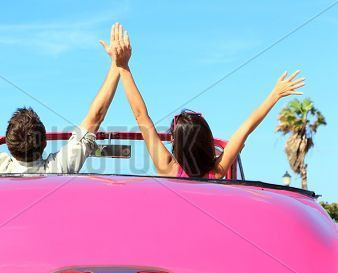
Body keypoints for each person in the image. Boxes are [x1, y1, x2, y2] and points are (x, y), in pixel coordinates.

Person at [111, 23, 305, 179]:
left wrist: (123, 66)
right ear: (207, 140)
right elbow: (246, 128)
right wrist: (275, 94)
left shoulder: (167, 167)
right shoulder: (217, 170)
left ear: (174, 141)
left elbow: (141, 116)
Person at [0, 25, 122, 174]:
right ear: (44, 143)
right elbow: (96, 116)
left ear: (9, 147)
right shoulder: (57, 169)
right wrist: (118, 64)